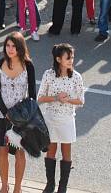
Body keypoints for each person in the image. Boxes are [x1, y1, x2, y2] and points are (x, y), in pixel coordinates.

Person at [0, 32, 36, 193]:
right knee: (2, 151)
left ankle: (18, 187)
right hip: (2, 115)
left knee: (20, 152)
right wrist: (6, 113)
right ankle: (4, 185)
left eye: (14, 46)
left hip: (22, 117)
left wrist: (25, 115)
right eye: (8, 46)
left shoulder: (28, 65)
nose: (10, 49)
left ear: (20, 48)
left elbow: (32, 94)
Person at [38, 43, 84, 193]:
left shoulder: (76, 77)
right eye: (68, 58)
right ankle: (50, 185)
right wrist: (56, 97)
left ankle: (62, 187)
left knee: (66, 153)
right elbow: (40, 98)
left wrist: (68, 100)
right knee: (50, 152)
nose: (71, 60)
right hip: (50, 118)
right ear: (58, 59)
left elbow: (81, 101)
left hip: (67, 119)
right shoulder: (48, 75)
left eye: (72, 57)